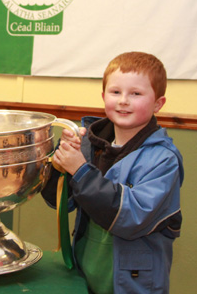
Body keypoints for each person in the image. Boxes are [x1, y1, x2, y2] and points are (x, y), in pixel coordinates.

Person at [42, 52, 183, 294]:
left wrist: (79, 169)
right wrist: (60, 164)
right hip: (85, 276)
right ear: (103, 96)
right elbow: (60, 203)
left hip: (134, 285)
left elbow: (130, 218)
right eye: (115, 92)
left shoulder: (163, 160)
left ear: (158, 103)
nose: (123, 101)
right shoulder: (88, 143)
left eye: (136, 94)